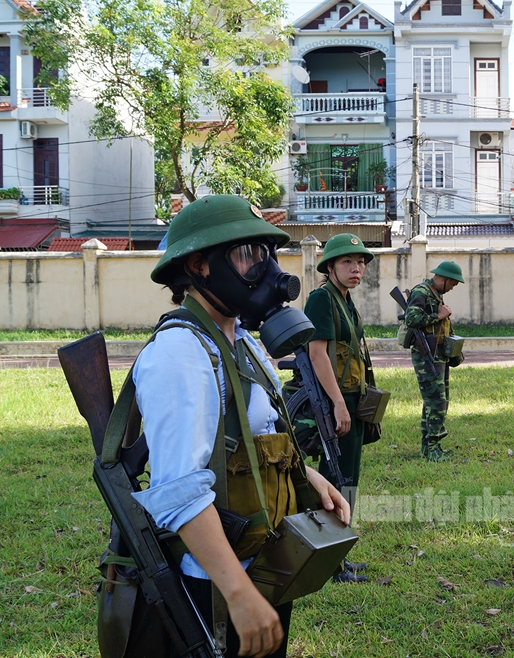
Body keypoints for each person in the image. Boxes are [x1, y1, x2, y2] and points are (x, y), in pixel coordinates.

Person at [132, 195, 352, 658]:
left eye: (268, 254)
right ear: (200, 265)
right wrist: (237, 593)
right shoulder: (180, 354)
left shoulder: (243, 343)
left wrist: (307, 477)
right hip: (211, 585)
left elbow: (258, 433)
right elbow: (179, 492)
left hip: (262, 561)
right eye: (249, 255)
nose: (268, 271)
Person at [286, 233, 374, 583]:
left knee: (347, 479)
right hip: (335, 400)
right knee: (335, 478)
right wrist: (338, 404)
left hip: (352, 397)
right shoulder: (322, 300)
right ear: (330, 268)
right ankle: (329, 561)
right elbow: (316, 353)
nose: (357, 268)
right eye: (348, 262)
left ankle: (340, 555)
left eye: (361, 262)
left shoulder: (345, 299)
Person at [404, 261, 465, 461]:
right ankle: (432, 447)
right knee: (437, 402)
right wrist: (438, 315)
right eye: (452, 284)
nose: (453, 288)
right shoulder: (421, 292)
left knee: (436, 400)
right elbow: (411, 319)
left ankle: (430, 446)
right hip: (426, 355)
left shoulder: (435, 294)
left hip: (438, 354)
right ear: (444, 279)